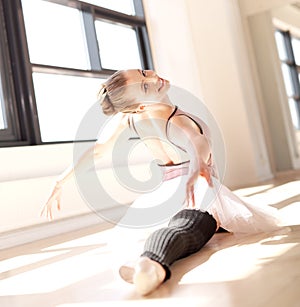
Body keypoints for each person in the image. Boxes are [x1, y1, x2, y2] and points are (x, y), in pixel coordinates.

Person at [41, 69, 284, 296]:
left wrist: (61, 180)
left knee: (182, 227)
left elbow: (195, 142)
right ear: (137, 107)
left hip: (175, 193)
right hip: (196, 193)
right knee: (184, 229)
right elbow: (198, 142)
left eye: (145, 73)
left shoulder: (131, 119)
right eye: (146, 86)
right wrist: (198, 163)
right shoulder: (173, 118)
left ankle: (147, 263)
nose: (154, 78)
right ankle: (150, 266)